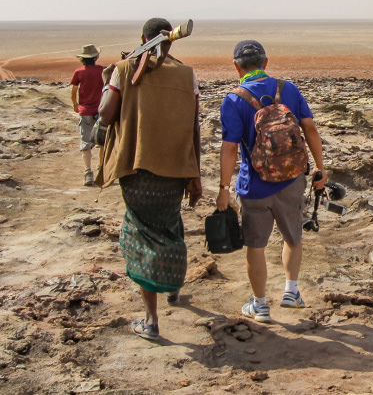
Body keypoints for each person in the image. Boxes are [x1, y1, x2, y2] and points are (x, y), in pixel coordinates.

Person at [98, 18, 202, 341]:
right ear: (170, 43)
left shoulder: (125, 69)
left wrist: (109, 83)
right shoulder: (187, 74)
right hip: (176, 170)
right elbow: (195, 127)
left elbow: (104, 113)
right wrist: (194, 174)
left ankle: (151, 320)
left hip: (137, 168)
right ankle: (173, 289)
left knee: (141, 236)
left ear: (143, 39)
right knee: (170, 224)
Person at [216, 40, 327, 323]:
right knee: (293, 236)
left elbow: (229, 147)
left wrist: (223, 189)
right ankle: (291, 291)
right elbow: (310, 128)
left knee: (256, 245)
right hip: (290, 179)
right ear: (266, 63)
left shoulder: (233, 99)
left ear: (236, 67)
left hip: (253, 184)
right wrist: (320, 166)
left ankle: (260, 305)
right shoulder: (287, 89)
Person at [70, 44, 104, 186]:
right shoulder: (102, 70)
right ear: (96, 57)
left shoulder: (79, 72)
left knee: (86, 143)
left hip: (85, 112)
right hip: (101, 111)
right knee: (102, 142)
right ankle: (102, 169)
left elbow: (73, 92)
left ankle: (87, 172)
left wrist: (75, 105)